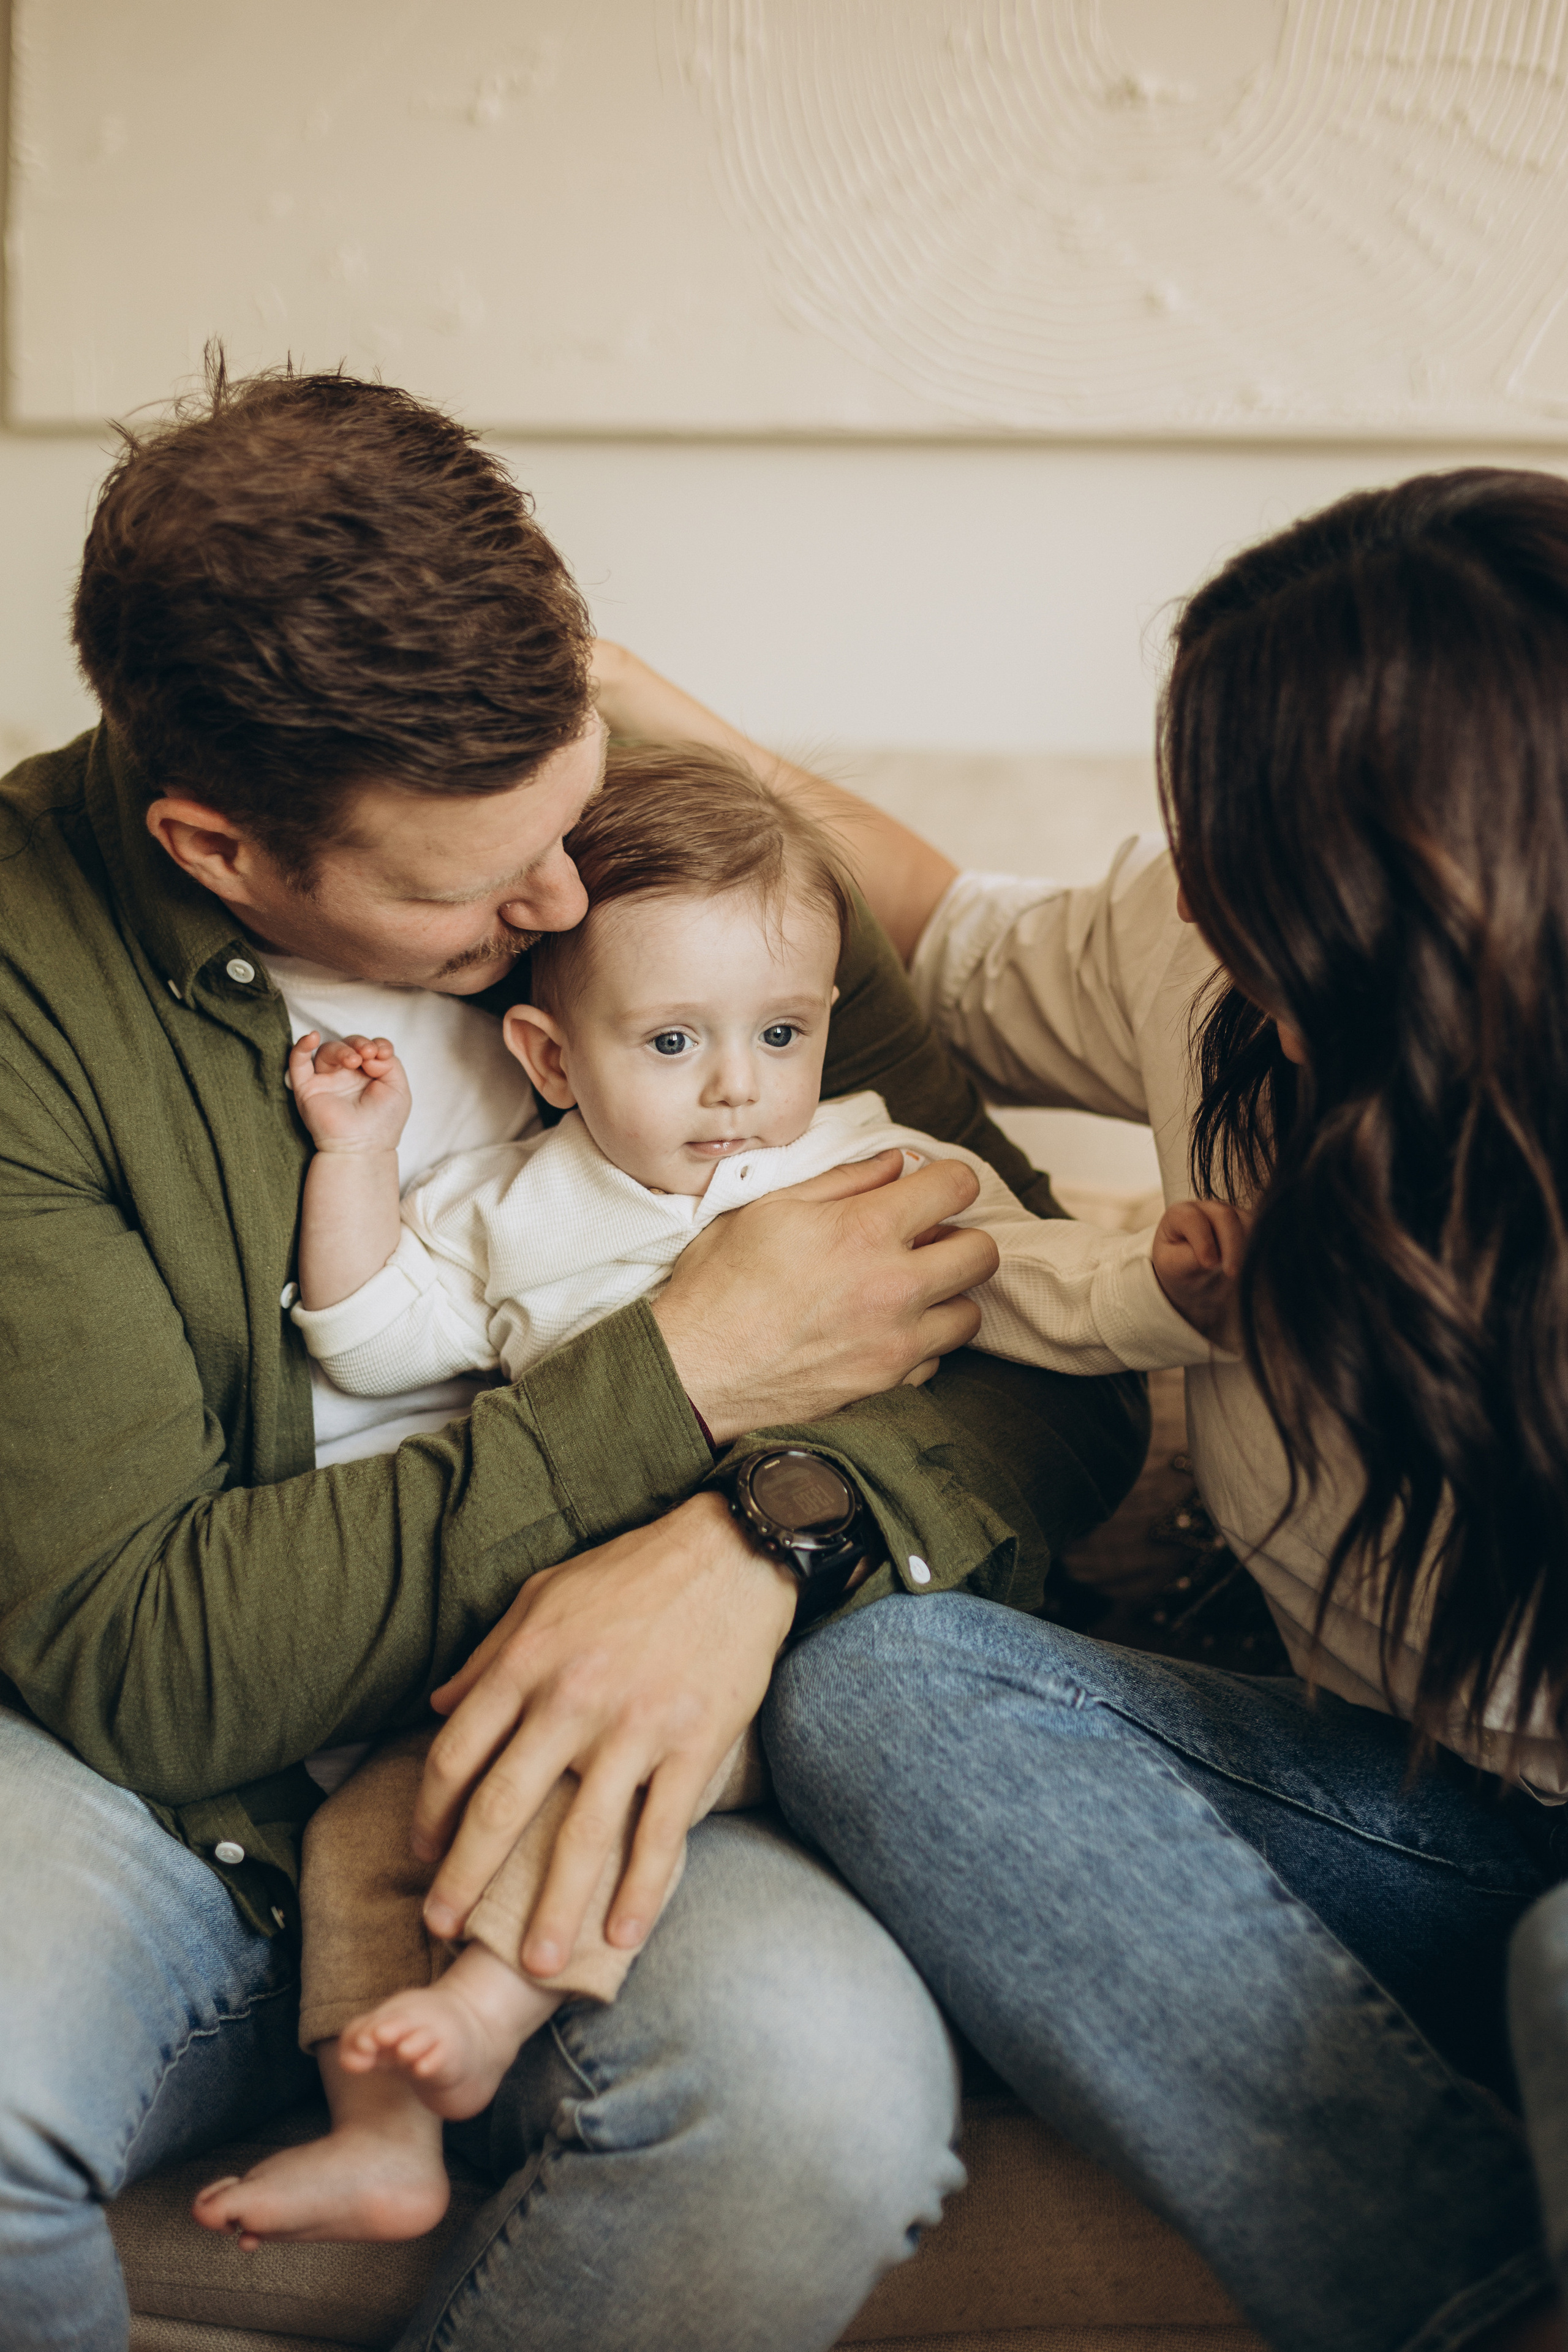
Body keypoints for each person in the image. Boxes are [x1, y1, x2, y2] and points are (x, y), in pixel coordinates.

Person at [0, 356, 1149, 2352]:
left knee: (814, 2102)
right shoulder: (28, 992)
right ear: (220, 850)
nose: (564, 895)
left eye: (573, 809)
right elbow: (140, 1656)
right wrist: (683, 1378)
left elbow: (1031, 1330)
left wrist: (753, 1545)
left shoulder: (639, 798)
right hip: (159, 1791)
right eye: (474, 886)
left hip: (600, 1730)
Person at [190, 744, 1242, 2249]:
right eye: (672, 1041)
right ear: (553, 1061)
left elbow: (1040, 1293)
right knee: (370, 1826)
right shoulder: (516, 1204)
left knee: (608, 1765)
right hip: (540, 1622)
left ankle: (494, 2001)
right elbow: (380, 1332)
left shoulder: (871, 1161)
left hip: (809, 1638)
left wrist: (1160, 1286)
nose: (739, 1084)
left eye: (780, 1031)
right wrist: (352, 1164)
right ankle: (383, 2126)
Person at [759, 468, 1568, 2352]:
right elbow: (929, 927)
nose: (1193, 878)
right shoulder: (1204, 966)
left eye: (1249, 846)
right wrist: (598, 690)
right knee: (885, 1691)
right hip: (1411, 1813)